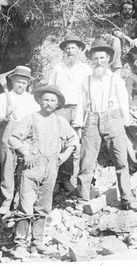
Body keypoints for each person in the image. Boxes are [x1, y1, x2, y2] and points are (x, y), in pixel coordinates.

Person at [8, 85, 78, 258]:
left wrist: (65, 154)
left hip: (51, 168)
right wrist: (25, 151)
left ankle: (37, 243)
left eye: (52, 100)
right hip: (31, 168)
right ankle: (20, 244)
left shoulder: (60, 121)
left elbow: (74, 139)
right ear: (39, 101)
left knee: (44, 207)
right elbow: (13, 138)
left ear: (58, 104)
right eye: (45, 99)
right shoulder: (31, 118)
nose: (48, 103)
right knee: (25, 206)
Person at [73, 40, 137, 211]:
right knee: (86, 160)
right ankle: (82, 199)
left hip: (113, 118)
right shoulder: (86, 80)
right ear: (91, 61)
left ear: (108, 59)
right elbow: (81, 103)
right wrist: (78, 124)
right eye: (95, 59)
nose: (98, 62)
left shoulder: (115, 78)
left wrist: (125, 121)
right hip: (92, 120)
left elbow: (124, 100)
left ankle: (126, 198)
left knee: (121, 161)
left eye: (102, 58)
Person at [0, 65, 40, 216]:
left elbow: (37, 119)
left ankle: (19, 201)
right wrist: (4, 115)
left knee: (24, 169)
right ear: (12, 82)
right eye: (18, 82)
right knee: (7, 168)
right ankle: (6, 201)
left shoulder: (32, 101)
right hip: (7, 134)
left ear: (28, 84)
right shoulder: (2, 98)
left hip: (25, 138)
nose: (21, 85)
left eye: (24, 83)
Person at [48, 35, 92, 192]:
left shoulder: (86, 70)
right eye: (67, 48)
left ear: (79, 50)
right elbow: (50, 90)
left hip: (80, 108)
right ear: (64, 51)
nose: (70, 50)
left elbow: (90, 92)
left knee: (73, 145)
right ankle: (54, 179)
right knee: (57, 144)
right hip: (60, 109)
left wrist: (84, 114)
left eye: (73, 47)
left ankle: (67, 178)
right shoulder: (57, 68)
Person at [110, 0, 137, 73]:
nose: (127, 11)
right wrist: (129, 39)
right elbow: (117, 33)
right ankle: (116, 67)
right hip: (121, 50)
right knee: (116, 40)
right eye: (125, 9)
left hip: (133, 49)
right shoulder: (117, 22)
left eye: (130, 9)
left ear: (133, 11)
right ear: (121, 11)